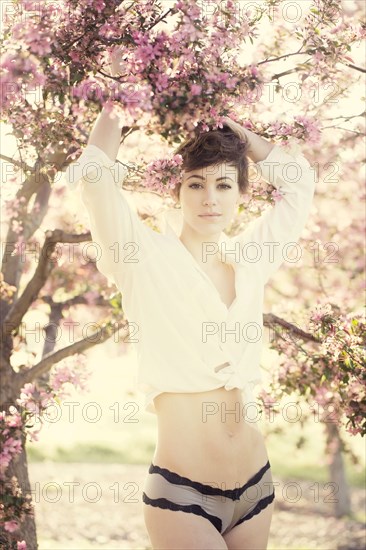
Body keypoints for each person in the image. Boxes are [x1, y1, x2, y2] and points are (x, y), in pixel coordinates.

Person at [64, 48, 316, 550]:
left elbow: (300, 181)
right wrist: (128, 93)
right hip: (183, 495)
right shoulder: (141, 257)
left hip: (256, 488)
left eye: (224, 184)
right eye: (195, 184)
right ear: (175, 190)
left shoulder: (251, 258)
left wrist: (235, 131)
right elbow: (95, 180)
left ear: (241, 192)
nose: (209, 198)